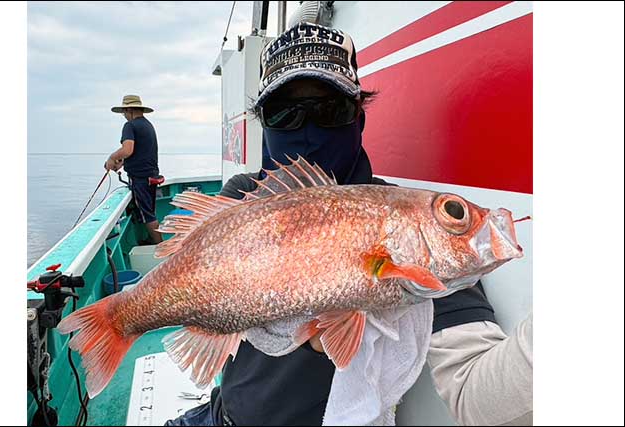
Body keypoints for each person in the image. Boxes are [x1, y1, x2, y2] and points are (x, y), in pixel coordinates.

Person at [165, 23, 532, 426]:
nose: (306, 131)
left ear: (358, 117)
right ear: (264, 125)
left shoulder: (412, 226)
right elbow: (202, 294)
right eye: (284, 113)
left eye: (330, 110)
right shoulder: (244, 197)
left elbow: (475, 399)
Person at [106, 94, 162, 244]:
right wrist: (121, 162)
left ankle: (162, 247)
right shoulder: (148, 125)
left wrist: (112, 158)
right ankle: (153, 240)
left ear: (130, 110)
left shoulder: (130, 126)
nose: (124, 116)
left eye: (124, 112)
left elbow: (128, 149)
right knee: (150, 212)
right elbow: (139, 152)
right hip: (151, 175)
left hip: (141, 179)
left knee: (148, 215)